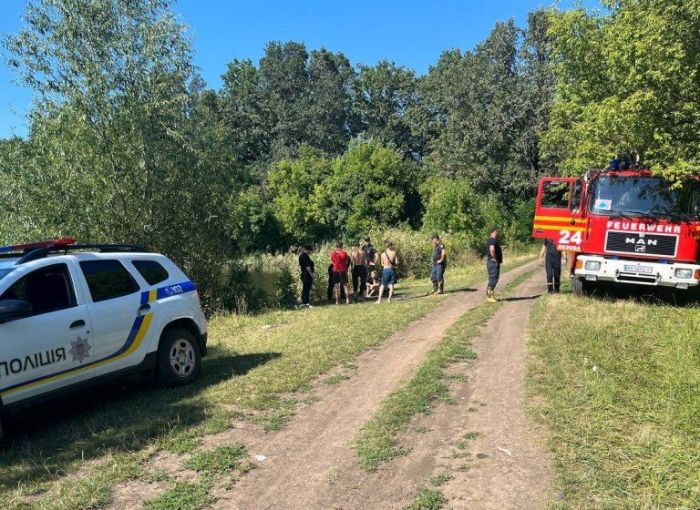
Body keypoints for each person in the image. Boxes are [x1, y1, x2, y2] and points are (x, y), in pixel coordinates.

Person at [485, 227, 503, 303]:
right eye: (497, 231)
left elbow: (492, 249)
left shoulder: (490, 240)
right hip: (493, 262)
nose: (498, 232)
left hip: (491, 262)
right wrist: (495, 259)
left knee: (493, 279)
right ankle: (489, 297)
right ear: (494, 231)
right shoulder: (492, 240)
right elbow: (492, 250)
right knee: (493, 279)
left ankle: (492, 296)